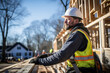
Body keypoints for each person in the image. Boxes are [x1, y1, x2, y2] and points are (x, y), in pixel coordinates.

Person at [30, 7, 96, 73]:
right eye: (65, 19)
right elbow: (64, 52)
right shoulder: (78, 33)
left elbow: (62, 55)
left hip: (81, 70)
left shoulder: (77, 34)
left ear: (76, 20)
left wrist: (39, 61)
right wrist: (47, 55)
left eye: (68, 19)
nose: (65, 21)